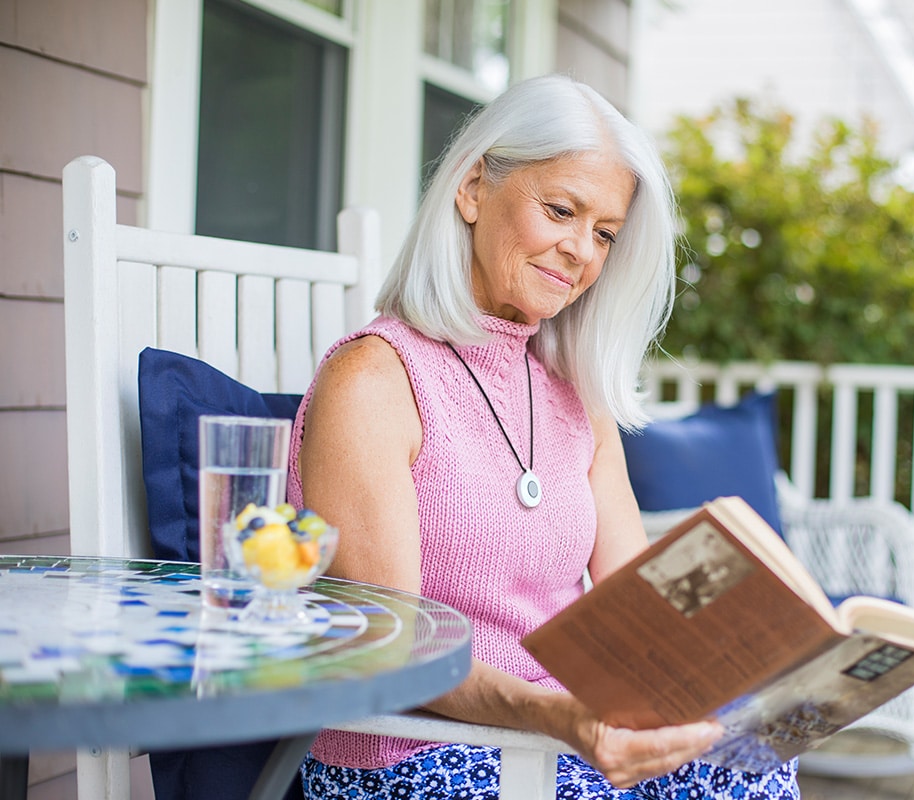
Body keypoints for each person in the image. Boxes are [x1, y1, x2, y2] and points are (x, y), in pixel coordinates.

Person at [286, 74, 801, 799]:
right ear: (472, 189)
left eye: (604, 235)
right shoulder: (374, 380)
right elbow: (394, 647)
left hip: (553, 735)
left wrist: (767, 655)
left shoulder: (571, 394)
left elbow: (637, 605)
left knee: (753, 763)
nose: (580, 252)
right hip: (411, 751)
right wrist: (556, 716)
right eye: (561, 211)